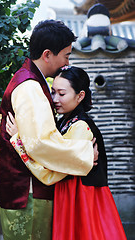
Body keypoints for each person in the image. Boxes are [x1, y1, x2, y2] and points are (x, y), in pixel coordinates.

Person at [0, 20, 98, 240]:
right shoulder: (31, 87)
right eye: (66, 55)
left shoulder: (27, 80)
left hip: (20, 188)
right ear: (47, 54)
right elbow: (41, 143)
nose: (67, 63)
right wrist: (84, 153)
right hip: (29, 192)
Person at [7, 66, 127, 240]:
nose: (55, 99)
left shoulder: (80, 127)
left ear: (80, 96)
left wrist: (18, 140)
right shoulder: (65, 122)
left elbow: (50, 172)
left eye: (61, 94)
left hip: (81, 196)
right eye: (53, 92)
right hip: (72, 192)